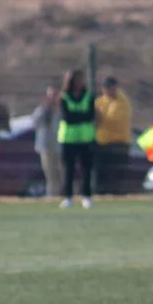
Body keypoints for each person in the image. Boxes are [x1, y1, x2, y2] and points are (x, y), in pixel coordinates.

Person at [57, 69, 95, 209]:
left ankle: (86, 196)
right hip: (68, 139)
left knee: (86, 169)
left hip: (86, 138)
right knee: (68, 169)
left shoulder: (88, 96)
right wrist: (81, 116)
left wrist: (77, 116)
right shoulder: (64, 97)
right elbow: (68, 118)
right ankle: (67, 197)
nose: (80, 82)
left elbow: (90, 115)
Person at [95, 76, 133, 194]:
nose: (107, 90)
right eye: (105, 87)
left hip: (119, 142)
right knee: (102, 173)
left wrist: (98, 117)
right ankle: (101, 193)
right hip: (102, 142)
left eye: (110, 87)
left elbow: (113, 119)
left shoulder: (122, 101)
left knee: (118, 172)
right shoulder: (100, 101)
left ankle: (118, 194)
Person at [32, 87, 63, 198]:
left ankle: (64, 195)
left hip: (60, 147)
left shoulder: (62, 110)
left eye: (55, 95)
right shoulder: (42, 110)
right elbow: (35, 122)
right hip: (46, 147)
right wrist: (46, 108)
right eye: (51, 95)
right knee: (50, 174)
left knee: (62, 173)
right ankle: (52, 196)